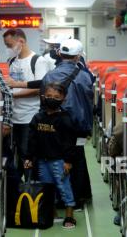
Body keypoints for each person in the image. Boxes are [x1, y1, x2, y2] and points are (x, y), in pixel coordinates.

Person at [40, 39, 94, 209]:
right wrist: (88, 128)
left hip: (54, 126)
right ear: (78, 56)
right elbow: (88, 103)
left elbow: (43, 102)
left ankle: (58, 199)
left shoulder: (49, 76)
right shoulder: (84, 76)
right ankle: (78, 198)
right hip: (77, 127)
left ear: (60, 55)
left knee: (55, 160)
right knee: (77, 159)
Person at [24, 82, 77, 229]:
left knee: (64, 188)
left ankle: (69, 215)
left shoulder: (65, 119)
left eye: (56, 97)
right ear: (42, 97)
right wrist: (29, 158)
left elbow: (69, 143)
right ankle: (51, 214)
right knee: (46, 189)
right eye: (48, 96)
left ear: (63, 99)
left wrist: (68, 161)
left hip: (59, 161)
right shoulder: (37, 118)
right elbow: (31, 140)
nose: (51, 99)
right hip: (42, 161)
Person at [3, 29, 51, 180]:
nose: (8, 49)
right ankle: (18, 190)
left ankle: (31, 187)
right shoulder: (11, 61)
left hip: (29, 116)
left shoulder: (37, 60)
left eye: (9, 45)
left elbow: (40, 88)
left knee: (28, 154)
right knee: (15, 156)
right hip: (13, 117)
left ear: (21, 42)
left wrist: (13, 94)